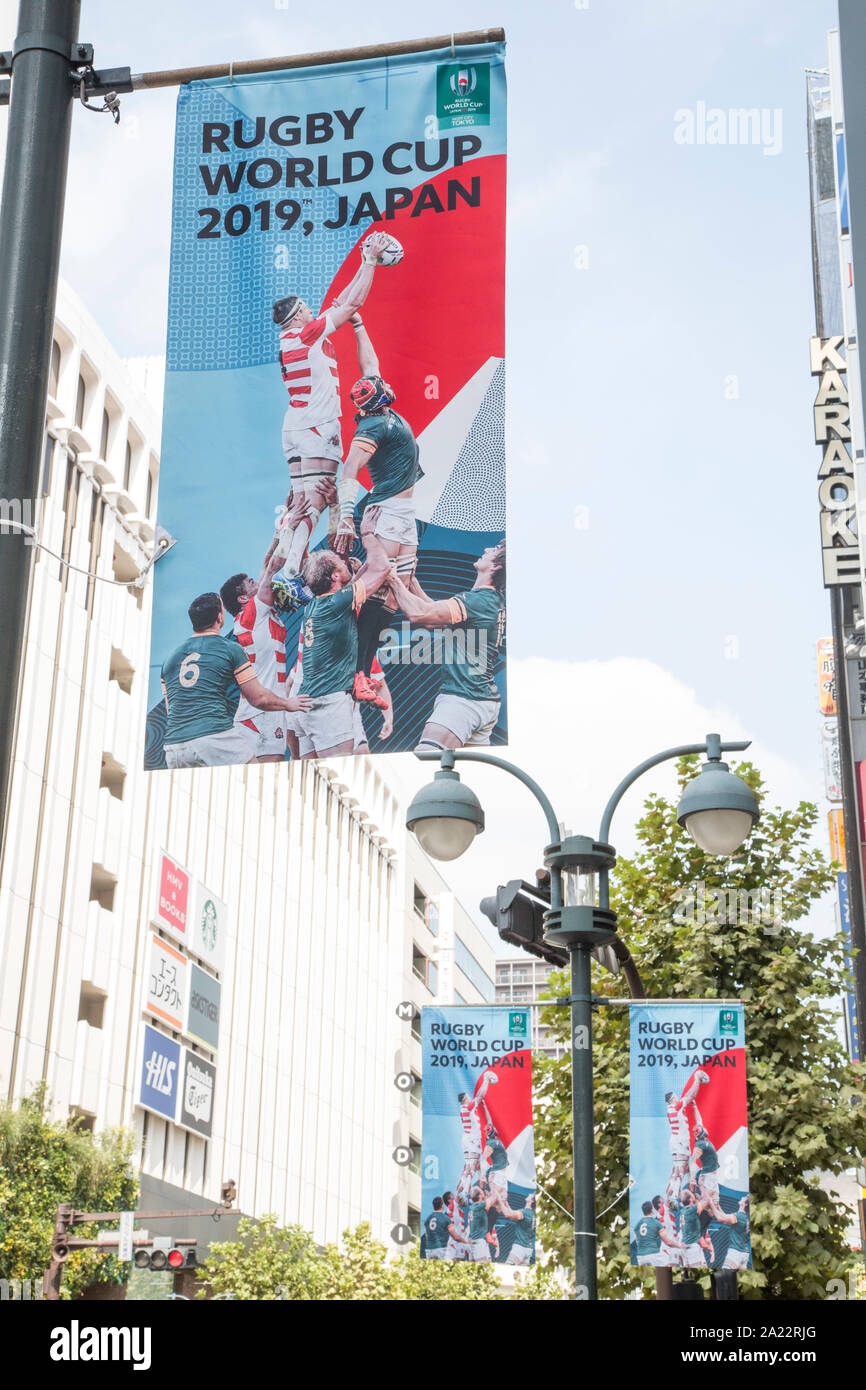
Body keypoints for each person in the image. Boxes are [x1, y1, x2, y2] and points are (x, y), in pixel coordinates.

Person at [272, 231, 390, 586]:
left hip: (295, 425)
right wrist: (369, 261)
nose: (312, 309)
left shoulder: (292, 339)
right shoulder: (307, 334)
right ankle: (292, 572)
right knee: (318, 501)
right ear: (297, 317)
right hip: (317, 425)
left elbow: (345, 304)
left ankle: (287, 567)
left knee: (302, 504)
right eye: (307, 307)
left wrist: (359, 271)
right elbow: (351, 305)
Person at [333, 315, 423, 701]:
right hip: (384, 514)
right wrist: (347, 517)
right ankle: (352, 672)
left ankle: (361, 673)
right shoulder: (373, 428)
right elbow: (350, 468)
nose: (385, 384)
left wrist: (357, 323)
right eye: (382, 387)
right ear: (381, 398)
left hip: (404, 518)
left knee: (390, 597)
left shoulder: (378, 410)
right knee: (373, 591)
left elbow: (370, 366)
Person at [161, 592, 310, 768]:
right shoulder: (229, 649)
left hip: (174, 747)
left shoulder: (170, 659)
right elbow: (258, 698)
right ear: (219, 617)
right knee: (258, 782)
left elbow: (171, 709)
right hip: (213, 737)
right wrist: (287, 704)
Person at [386, 541, 506, 751]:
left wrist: (392, 578)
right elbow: (436, 619)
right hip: (482, 701)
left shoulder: (477, 601)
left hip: (464, 700)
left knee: (427, 757)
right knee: (466, 772)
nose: (486, 549)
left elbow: (419, 614)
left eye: (494, 551)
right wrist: (411, 582)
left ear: (495, 567)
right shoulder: (489, 600)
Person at [293, 531, 391, 758]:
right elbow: (383, 567)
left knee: (316, 783)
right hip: (328, 702)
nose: (345, 564)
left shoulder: (316, 604)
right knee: (340, 777)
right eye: (341, 565)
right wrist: (368, 532)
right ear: (335, 576)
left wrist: (363, 569)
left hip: (310, 702)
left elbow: (356, 584)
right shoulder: (337, 602)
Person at [220, 541, 291, 763]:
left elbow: (268, 561)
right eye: (251, 582)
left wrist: (283, 526)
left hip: (263, 706)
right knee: (270, 779)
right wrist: (297, 523)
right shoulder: (252, 613)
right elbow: (273, 566)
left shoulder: (252, 614)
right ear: (243, 598)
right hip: (263, 712)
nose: (257, 581)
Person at [456, 1072, 494, 1197]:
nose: (470, 1098)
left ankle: (459, 1192)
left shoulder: (464, 1109)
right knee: (472, 1167)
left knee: (467, 1167)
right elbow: (480, 1095)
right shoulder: (468, 1107)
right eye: (468, 1097)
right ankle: (465, 1192)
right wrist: (486, 1080)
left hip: (467, 1139)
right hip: (472, 1140)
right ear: (465, 1099)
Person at [633, 1198, 683, 1267]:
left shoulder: (636, 1225)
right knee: (668, 1264)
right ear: (652, 1210)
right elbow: (668, 1242)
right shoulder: (656, 1223)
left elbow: (637, 1241)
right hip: (653, 1253)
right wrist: (679, 1246)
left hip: (640, 1256)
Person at [500, 1194, 536, 1266]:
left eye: (531, 1195)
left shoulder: (525, 1213)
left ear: (532, 1201)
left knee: (508, 1267)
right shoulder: (532, 1214)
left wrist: (498, 1200)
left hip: (520, 1248)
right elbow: (512, 1215)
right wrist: (506, 1203)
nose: (529, 1194)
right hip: (528, 1249)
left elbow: (507, 1214)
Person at [677, 1190, 708, 1269]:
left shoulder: (683, 1210)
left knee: (704, 1267)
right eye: (692, 1195)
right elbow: (706, 1201)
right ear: (690, 1199)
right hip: (692, 1247)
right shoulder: (692, 1210)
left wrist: (697, 1200)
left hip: (687, 1246)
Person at [718, 1196, 750, 1270]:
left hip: (736, 1252)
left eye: (744, 1198)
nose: (742, 1197)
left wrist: (712, 1204)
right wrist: (718, 1206)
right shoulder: (744, 1217)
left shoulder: (738, 1216)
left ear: (745, 1204)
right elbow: (725, 1217)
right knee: (739, 1279)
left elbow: (721, 1219)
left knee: (725, 1275)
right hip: (744, 1254)